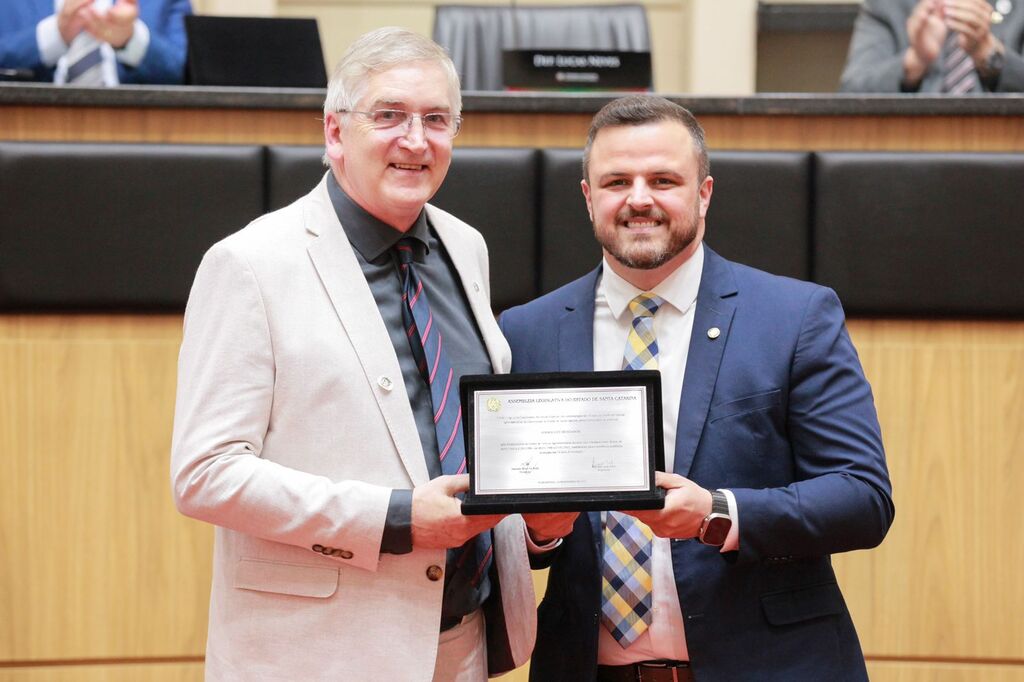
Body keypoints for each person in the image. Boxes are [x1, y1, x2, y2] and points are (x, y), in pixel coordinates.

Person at [171, 27, 572, 681]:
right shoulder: (249, 264)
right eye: (389, 115)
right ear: (335, 132)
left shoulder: (464, 246)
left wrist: (538, 527)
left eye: (436, 120)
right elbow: (205, 474)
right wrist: (395, 519)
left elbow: (459, 436)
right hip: (320, 653)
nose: (416, 141)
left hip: (464, 641)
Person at [499, 95, 895, 681]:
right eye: (615, 181)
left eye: (663, 179)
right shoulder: (525, 331)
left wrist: (715, 514)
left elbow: (862, 499)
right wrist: (538, 535)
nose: (639, 199)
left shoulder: (796, 317)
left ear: (703, 193)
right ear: (588, 198)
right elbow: (500, 521)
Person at [840, 0, 1024, 92]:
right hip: (912, 151)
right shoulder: (887, 5)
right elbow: (850, 93)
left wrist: (990, 55)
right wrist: (914, 62)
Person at [0, 0, 190, 85]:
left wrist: (131, 40)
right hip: (27, 137)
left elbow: (193, 73)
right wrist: (54, 35)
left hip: (138, 141)